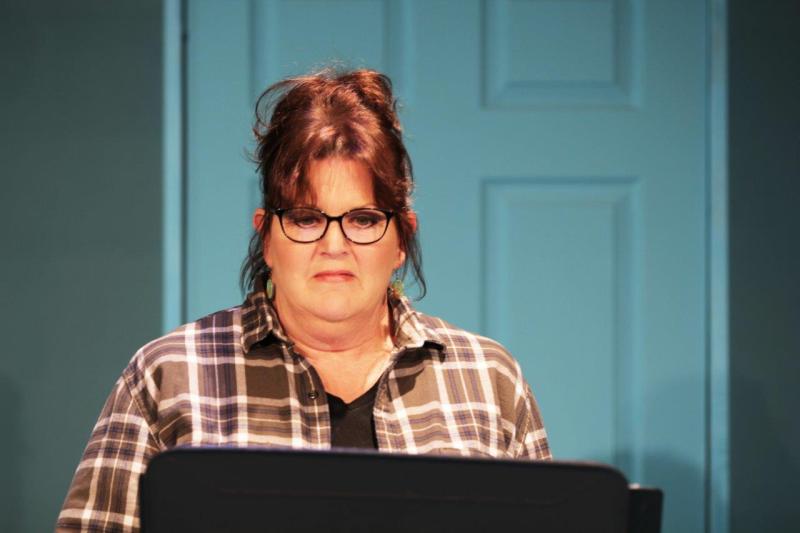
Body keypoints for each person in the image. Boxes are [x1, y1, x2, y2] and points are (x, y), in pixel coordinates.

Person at [57, 68, 550, 532]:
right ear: (266, 237)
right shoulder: (167, 374)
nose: (333, 245)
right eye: (306, 217)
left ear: (402, 239)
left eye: (362, 219)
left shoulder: (489, 380)